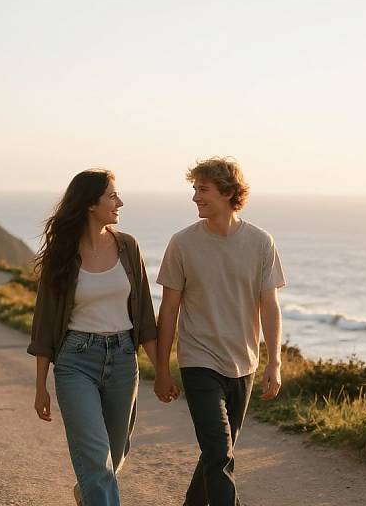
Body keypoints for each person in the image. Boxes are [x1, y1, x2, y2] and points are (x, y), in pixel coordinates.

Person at [154, 157, 286, 506]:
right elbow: (168, 309)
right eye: (194, 189)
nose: (195, 197)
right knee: (218, 451)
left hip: (244, 363)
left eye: (203, 190)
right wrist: (163, 369)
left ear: (228, 193)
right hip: (198, 360)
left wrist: (274, 362)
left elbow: (269, 306)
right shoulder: (182, 243)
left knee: (217, 454)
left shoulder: (260, 242)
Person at [27, 169, 158, 506]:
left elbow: (144, 315)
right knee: (98, 461)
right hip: (75, 361)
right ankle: (95, 491)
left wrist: (164, 371)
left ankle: (87, 493)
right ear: (90, 203)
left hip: (123, 358)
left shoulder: (128, 247)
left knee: (116, 453)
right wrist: (41, 385)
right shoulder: (63, 253)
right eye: (112, 196)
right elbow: (44, 322)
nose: (120, 202)